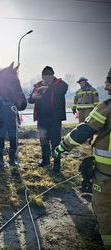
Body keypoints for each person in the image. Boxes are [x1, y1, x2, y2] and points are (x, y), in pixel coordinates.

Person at [54, 67, 111, 250]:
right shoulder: (80, 93)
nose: (107, 88)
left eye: (109, 84)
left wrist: (62, 147)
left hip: (107, 174)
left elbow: (84, 131)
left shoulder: (106, 107)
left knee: (104, 209)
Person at [28, 66, 68, 174]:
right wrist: (33, 96)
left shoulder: (60, 84)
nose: (46, 79)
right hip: (42, 118)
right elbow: (30, 99)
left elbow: (63, 90)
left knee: (55, 142)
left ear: (52, 75)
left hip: (55, 119)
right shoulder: (38, 85)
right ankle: (45, 160)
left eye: (48, 77)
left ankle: (56, 164)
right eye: (44, 77)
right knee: (43, 140)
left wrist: (48, 88)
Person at [0, 95, 19, 167]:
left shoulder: (13, 96)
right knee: (0, 140)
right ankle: (1, 160)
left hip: (12, 122)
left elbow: (17, 108)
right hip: (1, 122)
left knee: (13, 140)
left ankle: (12, 159)